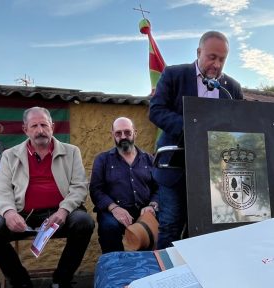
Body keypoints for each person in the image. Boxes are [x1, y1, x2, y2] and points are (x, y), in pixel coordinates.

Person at [0, 106, 94, 288]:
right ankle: (22, 286)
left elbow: (79, 187)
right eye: (34, 126)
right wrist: (8, 213)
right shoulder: (9, 155)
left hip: (58, 215)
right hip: (22, 215)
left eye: (44, 124)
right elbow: (1, 190)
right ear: (25, 129)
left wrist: (63, 211)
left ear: (52, 126)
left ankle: (60, 285)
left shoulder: (71, 151)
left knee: (84, 222)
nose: (40, 130)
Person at [149, 31, 243, 248]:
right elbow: (156, 110)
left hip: (215, 176)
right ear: (199, 52)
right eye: (212, 57)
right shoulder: (174, 75)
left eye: (222, 59)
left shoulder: (232, 88)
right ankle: (167, 277)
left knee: (205, 228)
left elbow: (239, 126)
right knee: (171, 225)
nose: (217, 64)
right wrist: (192, 129)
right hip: (174, 168)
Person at [89, 117, 158, 253]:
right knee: (109, 227)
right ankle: (116, 268)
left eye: (127, 132)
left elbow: (160, 188)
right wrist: (114, 208)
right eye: (118, 133)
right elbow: (96, 190)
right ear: (113, 135)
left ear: (135, 133)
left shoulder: (149, 159)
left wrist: (152, 205)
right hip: (114, 211)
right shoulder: (102, 160)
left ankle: (155, 269)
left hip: (145, 210)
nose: (123, 137)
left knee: (167, 225)